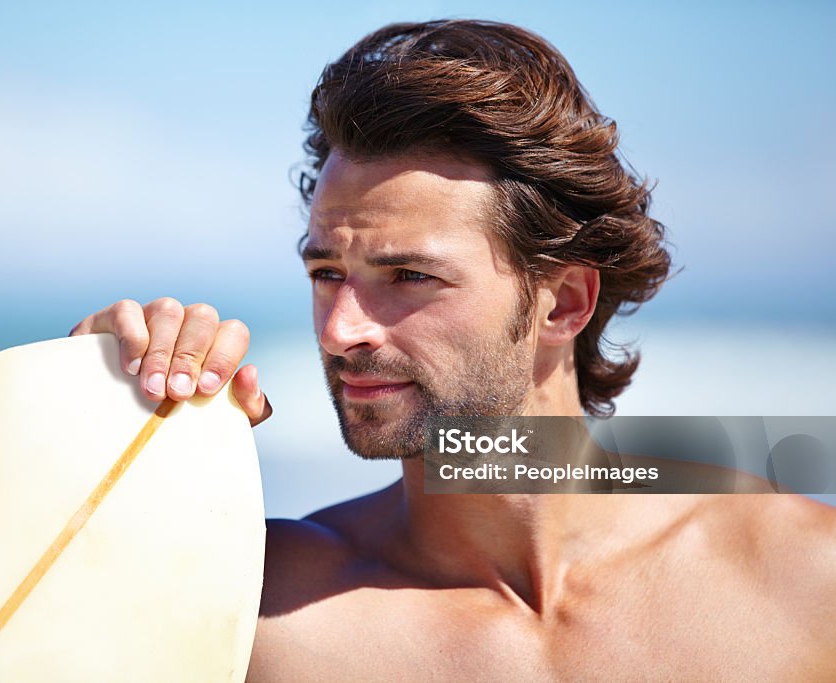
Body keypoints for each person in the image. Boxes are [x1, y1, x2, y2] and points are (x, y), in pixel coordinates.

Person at [70, 19, 836, 681]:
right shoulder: (253, 614)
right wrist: (70, 433)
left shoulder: (804, 579)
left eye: (410, 276)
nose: (341, 330)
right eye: (326, 273)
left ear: (564, 301)